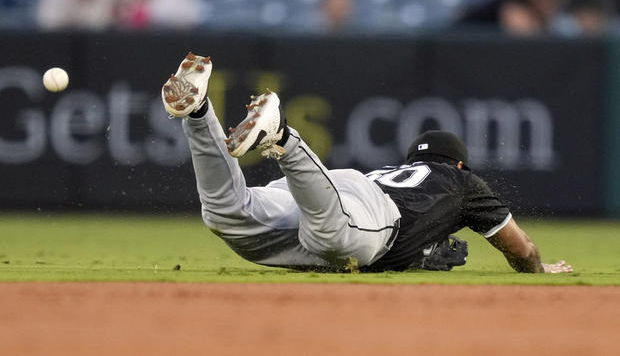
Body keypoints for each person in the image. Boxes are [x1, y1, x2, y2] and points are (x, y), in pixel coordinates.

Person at [161, 52, 573, 274]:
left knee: (227, 214)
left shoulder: (398, 173)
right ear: (460, 165)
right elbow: (520, 250)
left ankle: (199, 114)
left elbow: (414, 231)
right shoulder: (462, 183)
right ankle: (283, 135)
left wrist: (425, 256)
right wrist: (539, 268)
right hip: (363, 211)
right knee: (333, 237)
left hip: (343, 190)